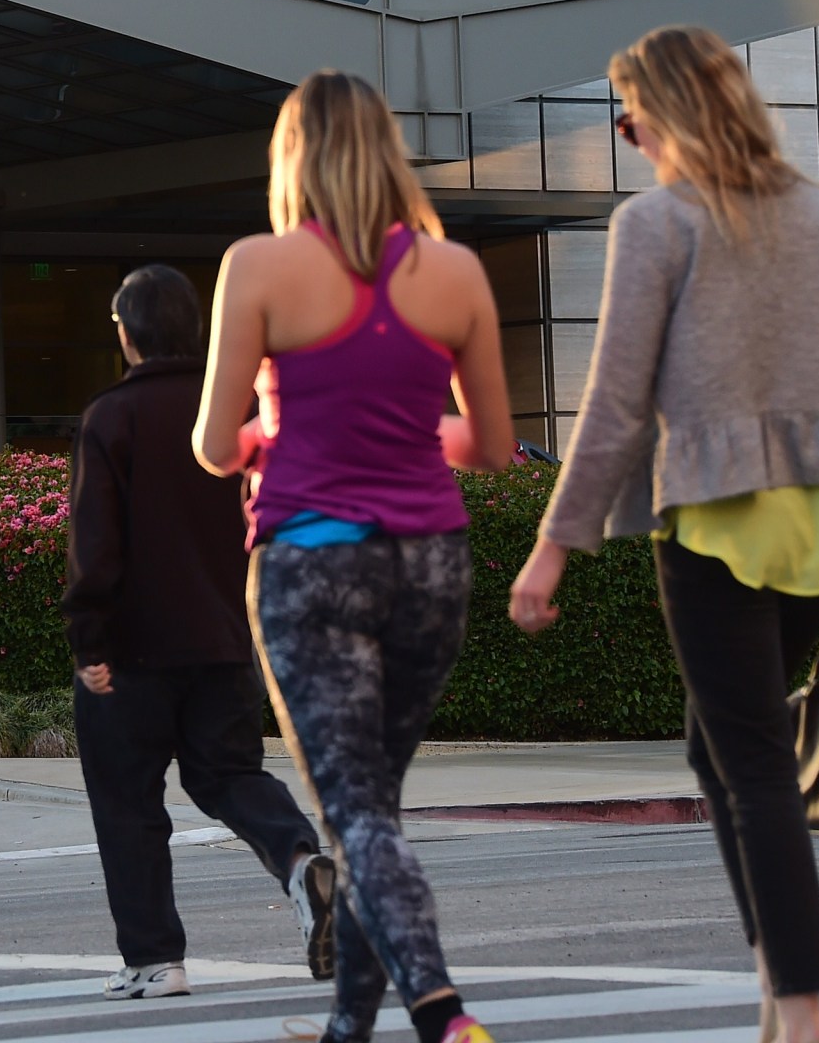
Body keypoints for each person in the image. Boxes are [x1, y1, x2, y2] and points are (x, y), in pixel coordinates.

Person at [508, 26, 819, 1043]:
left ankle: (796, 1014)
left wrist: (551, 549)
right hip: (815, 526)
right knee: (720, 754)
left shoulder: (658, 224)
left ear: (662, 116)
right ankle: (775, 991)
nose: (628, 139)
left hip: (715, 526)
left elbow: (615, 406)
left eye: (627, 120)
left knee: (752, 766)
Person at [194, 70, 515, 1043]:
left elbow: (212, 443)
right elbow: (493, 447)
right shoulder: (453, 272)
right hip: (431, 569)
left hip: (312, 566)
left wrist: (265, 437)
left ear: (291, 156)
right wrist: (414, 439)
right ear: (386, 151)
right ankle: (347, 1029)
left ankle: (443, 1013)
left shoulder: (257, 265)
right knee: (369, 812)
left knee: (356, 815)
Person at [63, 265, 336, 1002]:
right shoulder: (239, 411)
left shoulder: (111, 417)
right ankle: (297, 856)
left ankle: (156, 959)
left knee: (128, 803)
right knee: (229, 775)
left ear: (127, 334)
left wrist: (89, 640)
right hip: (222, 639)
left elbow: (97, 544)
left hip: (132, 651)